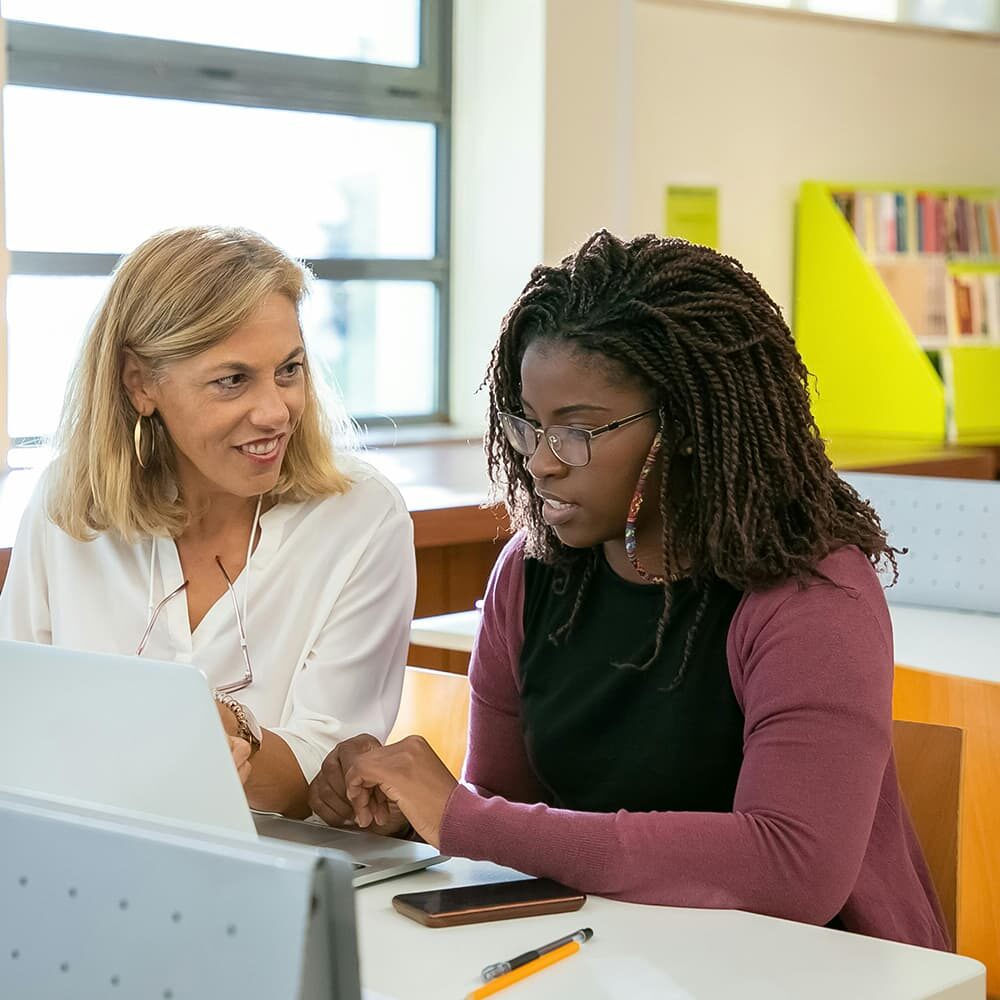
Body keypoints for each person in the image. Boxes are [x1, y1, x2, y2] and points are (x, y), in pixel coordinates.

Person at [308, 230, 949, 949]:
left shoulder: (810, 593)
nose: (541, 464)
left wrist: (462, 817)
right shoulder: (530, 573)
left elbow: (793, 869)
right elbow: (509, 817)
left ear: (688, 426)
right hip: (615, 953)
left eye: (577, 432)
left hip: (816, 967)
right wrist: (409, 811)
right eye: (528, 424)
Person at [0, 225, 416, 818]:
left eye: (290, 370)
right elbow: (17, 720)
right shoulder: (70, 502)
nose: (275, 411)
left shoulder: (361, 517)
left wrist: (234, 740)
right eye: (232, 380)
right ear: (140, 383)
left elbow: (329, 779)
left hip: (276, 866)